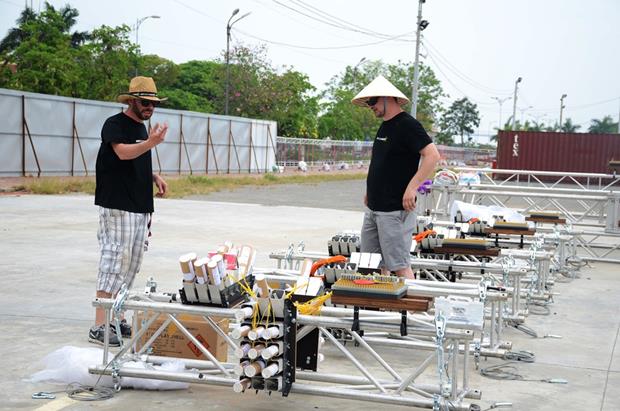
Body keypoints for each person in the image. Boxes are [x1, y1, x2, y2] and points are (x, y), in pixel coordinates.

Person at [90, 76, 169, 346]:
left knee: (132, 264)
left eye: (153, 104)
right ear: (132, 101)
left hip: (139, 205)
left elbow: (133, 161)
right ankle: (100, 323)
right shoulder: (115, 124)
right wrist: (151, 144)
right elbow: (122, 153)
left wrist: (153, 176)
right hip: (118, 205)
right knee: (114, 259)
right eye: (145, 102)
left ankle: (117, 316)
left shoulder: (143, 131)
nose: (150, 108)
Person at [351, 75, 440, 279]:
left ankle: (411, 310)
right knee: (371, 265)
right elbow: (383, 163)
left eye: (372, 101)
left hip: (394, 210)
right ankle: (381, 308)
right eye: (368, 103)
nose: (370, 106)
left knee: (399, 264)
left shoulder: (407, 125)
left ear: (386, 98)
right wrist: (369, 191)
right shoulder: (385, 125)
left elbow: (432, 155)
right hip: (374, 208)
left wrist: (412, 188)